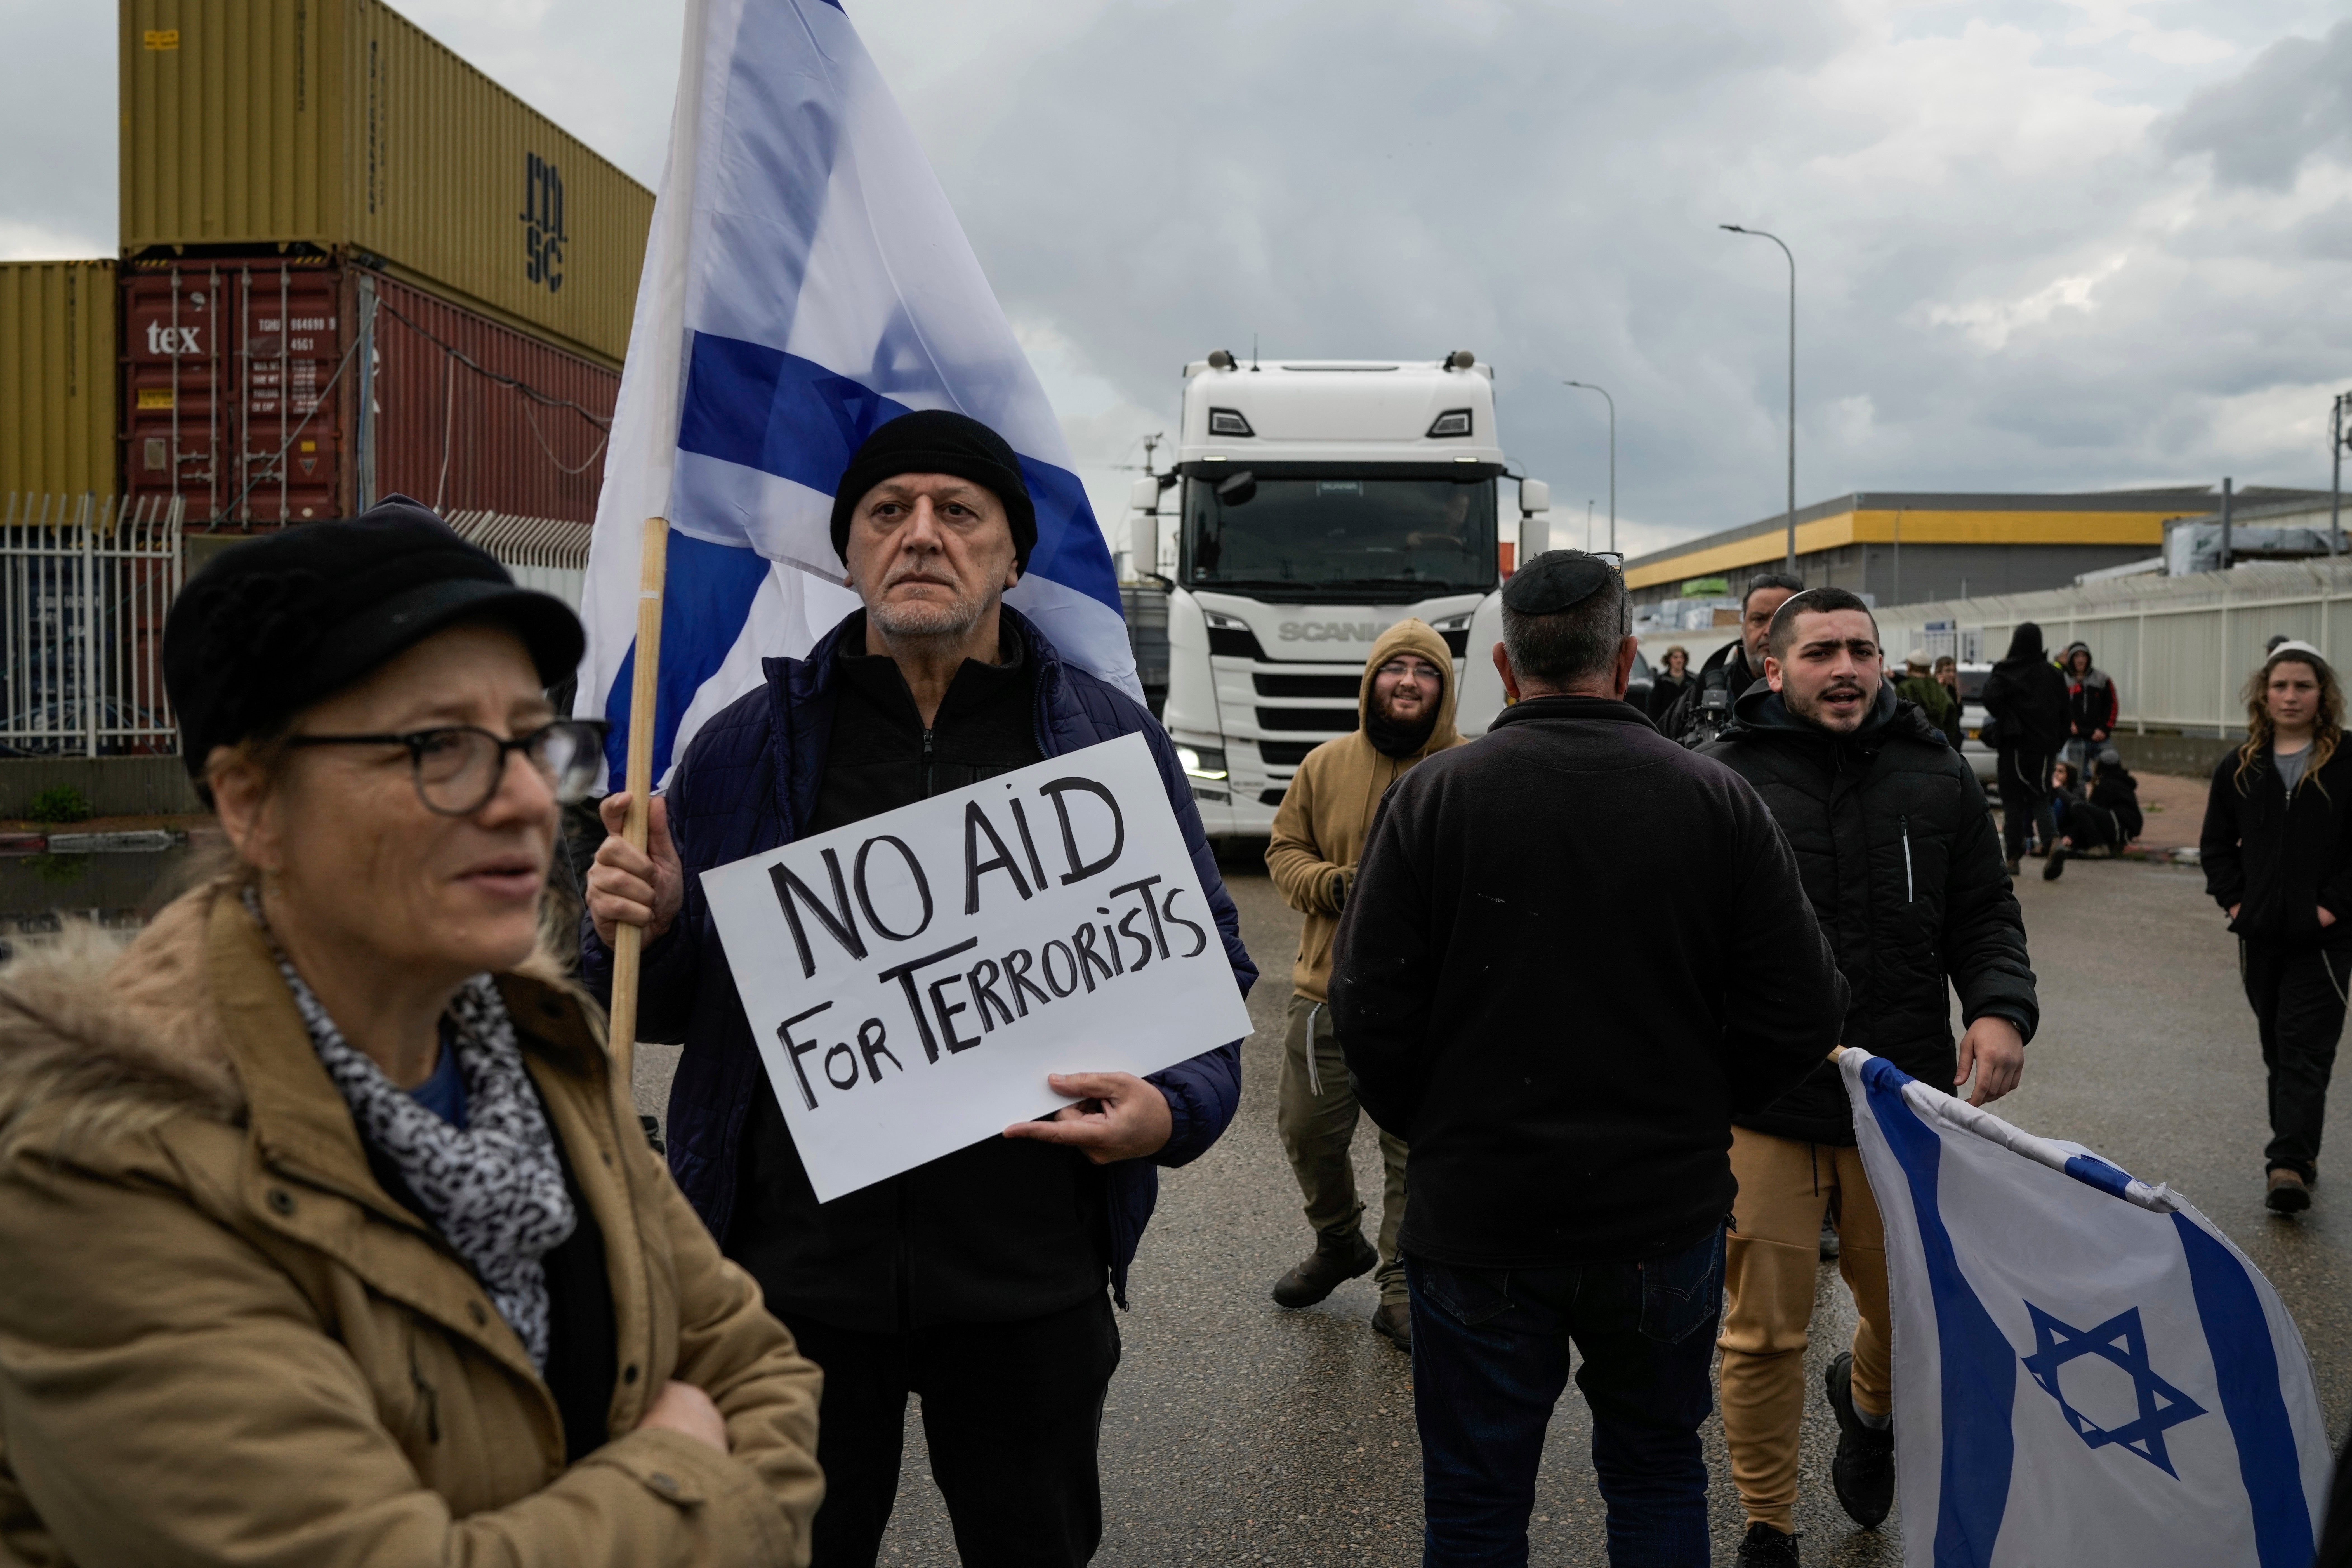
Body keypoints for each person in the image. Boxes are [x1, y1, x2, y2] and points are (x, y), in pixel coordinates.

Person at [0, 500, 825, 1564]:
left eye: (536, 742)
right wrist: (682, 1469)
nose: (528, 798)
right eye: (441, 746)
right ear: (251, 800)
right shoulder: (106, 1159)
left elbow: (760, 1369)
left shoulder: (531, 1044)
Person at [583, 410, 1256, 1568]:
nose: (921, 535)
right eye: (887, 513)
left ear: (1010, 555)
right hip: (789, 1287)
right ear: (849, 554)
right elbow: (678, 1004)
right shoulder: (747, 746)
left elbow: (1208, 982)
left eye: (959, 512)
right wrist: (651, 920)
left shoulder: (1103, 741)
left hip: (1027, 1284)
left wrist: (1174, 1109)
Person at [1331, 551, 1849, 1566]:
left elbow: (1366, 1009)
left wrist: (1436, 1124)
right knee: (1656, 1469)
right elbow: (1807, 1007)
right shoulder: (1716, 799)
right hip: (1660, 1212)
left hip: (1479, 1211)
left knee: (1476, 1504)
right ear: (1623, 662)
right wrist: (1705, 1103)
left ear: (1502, 665)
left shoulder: (1433, 798)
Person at [1700, 587, 2036, 1567]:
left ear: (1884, 663)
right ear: (1773, 666)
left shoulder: (1935, 776)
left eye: (1861, 650)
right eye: (1821, 652)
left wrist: (1999, 1006)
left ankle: (1871, 1403)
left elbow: (1985, 911)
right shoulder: (1719, 781)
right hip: (1763, 1099)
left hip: (1900, 1095)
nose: (1844, 667)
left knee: (1908, 1312)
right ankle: (1769, 1520)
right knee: (1764, 1330)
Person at [1264, 622, 1461, 1350]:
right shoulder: (1323, 764)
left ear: (1444, 688)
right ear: (1371, 680)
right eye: (1393, 668)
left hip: (1432, 1007)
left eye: (1425, 671)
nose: (1407, 681)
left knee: (1414, 1151)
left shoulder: (1471, 768)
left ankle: (1399, 1284)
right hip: (1327, 993)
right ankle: (1337, 1241)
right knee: (1306, 1132)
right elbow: (1284, 847)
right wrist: (1334, 884)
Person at [2200, 640, 2352, 1215]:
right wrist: (2236, 905)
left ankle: (2284, 1162)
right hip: (2259, 935)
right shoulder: (2240, 766)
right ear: (2263, 694)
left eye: (2303, 686)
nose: (2290, 696)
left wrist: (2331, 907)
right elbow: (2215, 846)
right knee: (2276, 1045)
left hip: (2325, 939)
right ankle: (2300, 1151)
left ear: (2323, 694)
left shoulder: (2345, 763)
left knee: (2302, 1045)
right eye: (2280, 685)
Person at [1659, 571, 1805, 745]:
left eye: (1782, 620)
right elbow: (1657, 742)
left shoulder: (1829, 687)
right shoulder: (1710, 686)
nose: (1770, 630)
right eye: (1759, 619)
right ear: (1743, 629)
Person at [1983, 621, 2070, 880]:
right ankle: (2053, 841)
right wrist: (2057, 743)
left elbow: (1990, 699)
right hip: (2044, 749)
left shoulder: (2008, 671)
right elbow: (2066, 713)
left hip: (2014, 748)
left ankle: (2013, 858)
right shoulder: (2053, 674)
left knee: (2012, 802)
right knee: (2041, 797)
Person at [2059, 641, 2120, 773]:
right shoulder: (2063, 681)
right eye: (2077, 656)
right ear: (2071, 660)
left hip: (2100, 737)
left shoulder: (2102, 679)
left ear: (2088, 658)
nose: (2081, 660)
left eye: (2084, 656)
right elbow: (2058, 707)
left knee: (2112, 770)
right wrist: (2068, 724)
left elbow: (2113, 706)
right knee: (2076, 777)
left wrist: (2104, 730)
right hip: (2076, 739)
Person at [1896, 647, 1961, 751]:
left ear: (1910, 666)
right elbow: (1951, 711)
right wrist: (1946, 738)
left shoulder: (1905, 687)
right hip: (1937, 743)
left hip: (1912, 745)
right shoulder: (1938, 687)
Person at [2091, 746, 2144, 846]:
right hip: (2134, 825)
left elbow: (2094, 806)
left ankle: (2097, 845)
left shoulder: (2107, 785)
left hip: (2123, 827)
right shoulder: (2123, 782)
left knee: (2081, 809)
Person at [1646, 643, 1693, 725]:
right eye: (1676, 657)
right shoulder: (1662, 681)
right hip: (1666, 724)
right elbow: (1654, 707)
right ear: (1669, 660)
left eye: (1681, 657)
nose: (1679, 660)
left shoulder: (1692, 680)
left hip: (1687, 723)